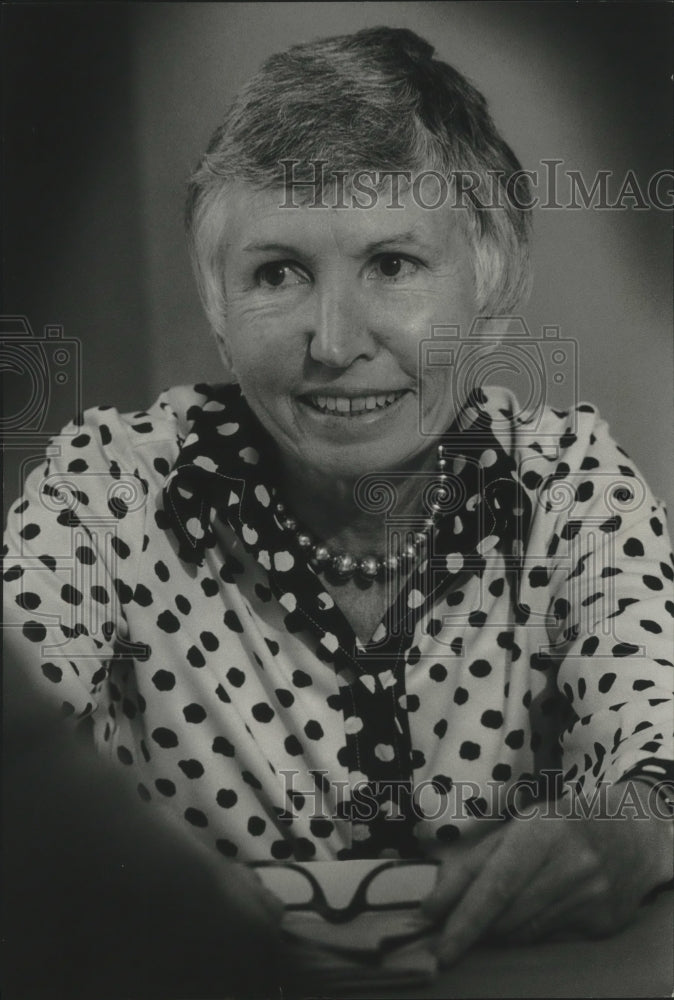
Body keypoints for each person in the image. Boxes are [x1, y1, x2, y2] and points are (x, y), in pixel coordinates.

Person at [3, 25, 673, 982]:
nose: (333, 340)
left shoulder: (573, 486)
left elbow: (662, 747)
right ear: (218, 310)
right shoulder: (102, 493)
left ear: (492, 287)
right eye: (278, 273)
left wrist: (637, 824)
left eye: (393, 264)